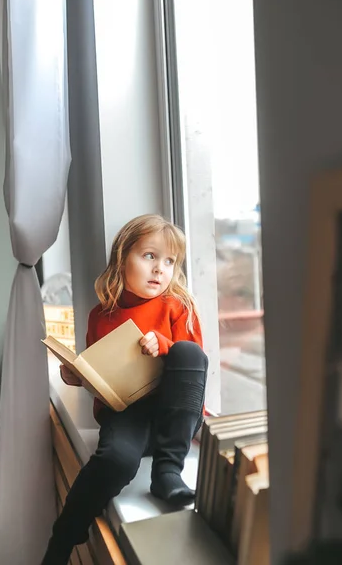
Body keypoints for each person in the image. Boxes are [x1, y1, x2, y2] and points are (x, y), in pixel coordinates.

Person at [42, 214, 208, 564]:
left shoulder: (178, 306)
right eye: (150, 256)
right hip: (128, 414)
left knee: (186, 351)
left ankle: (167, 473)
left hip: (173, 419)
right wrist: (80, 377)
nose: (160, 269)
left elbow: (194, 364)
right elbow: (103, 379)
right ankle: (65, 535)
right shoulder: (101, 316)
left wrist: (163, 344)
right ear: (122, 259)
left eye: (169, 261)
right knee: (114, 459)